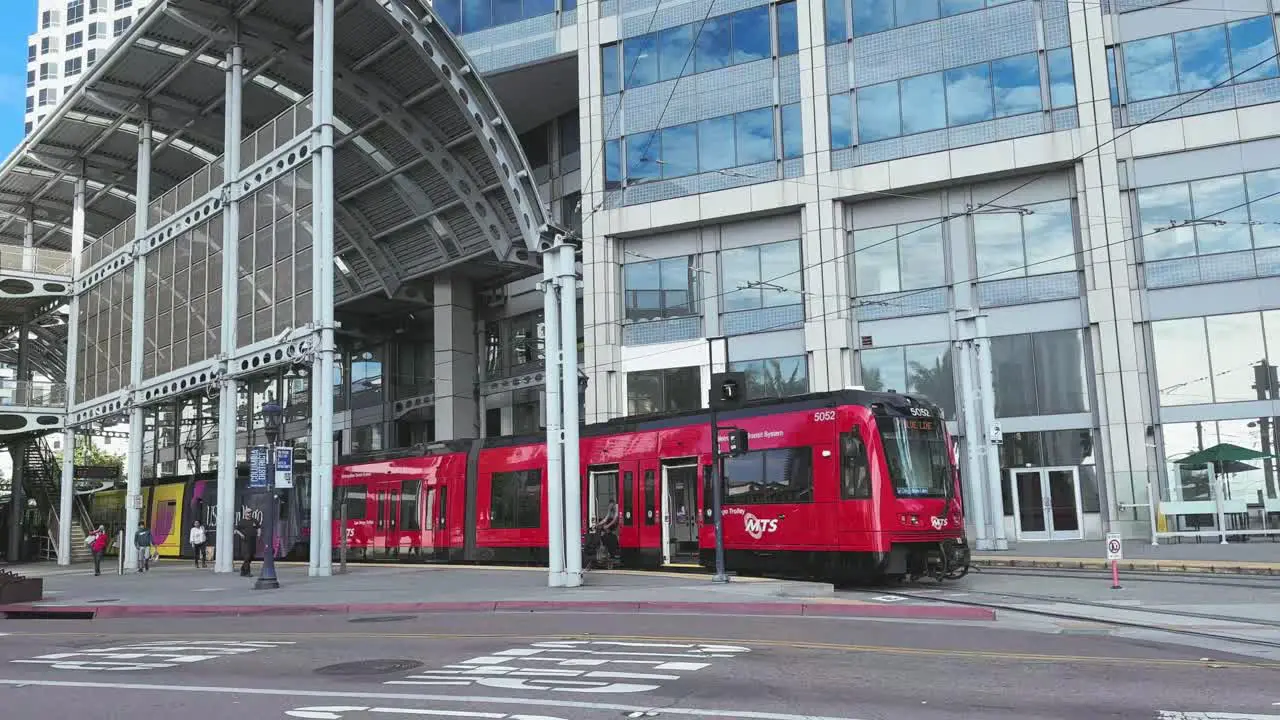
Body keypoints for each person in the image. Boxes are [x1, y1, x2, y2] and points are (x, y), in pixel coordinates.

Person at [234, 510, 260, 577]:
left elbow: (258, 527)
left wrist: (259, 534)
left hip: (253, 540)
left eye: (250, 512)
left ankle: (243, 569)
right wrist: (241, 535)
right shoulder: (242, 521)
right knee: (247, 556)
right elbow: (236, 530)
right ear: (245, 513)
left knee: (252, 556)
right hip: (245, 541)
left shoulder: (254, 520)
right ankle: (247, 572)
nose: (249, 513)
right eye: (248, 512)